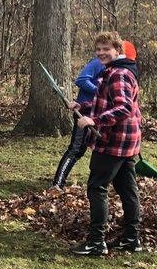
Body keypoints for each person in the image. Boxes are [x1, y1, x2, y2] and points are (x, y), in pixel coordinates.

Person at [70, 31, 143, 256]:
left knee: (97, 187)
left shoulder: (119, 73)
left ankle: (96, 241)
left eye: (106, 49)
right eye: (98, 49)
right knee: (126, 188)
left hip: (114, 140)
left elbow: (123, 107)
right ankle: (131, 238)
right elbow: (107, 102)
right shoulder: (116, 70)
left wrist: (94, 120)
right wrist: (83, 107)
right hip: (127, 140)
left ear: (117, 50)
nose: (101, 53)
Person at [52, 39, 138, 188]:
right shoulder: (100, 63)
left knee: (122, 180)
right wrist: (100, 92)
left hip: (101, 117)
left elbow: (123, 104)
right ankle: (58, 184)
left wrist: (103, 95)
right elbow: (81, 80)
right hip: (86, 114)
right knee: (76, 150)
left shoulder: (119, 71)